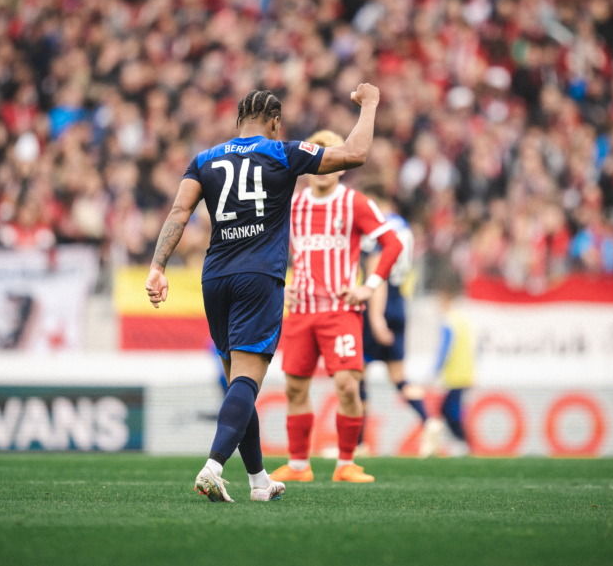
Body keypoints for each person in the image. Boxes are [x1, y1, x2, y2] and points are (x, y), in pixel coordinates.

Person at [146, 84, 381, 502]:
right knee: (247, 383)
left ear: (237, 122)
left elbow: (180, 212)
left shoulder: (204, 159)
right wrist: (371, 105)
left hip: (215, 277)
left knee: (239, 382)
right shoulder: (281, 151)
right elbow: (355, 154)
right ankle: (213, 467)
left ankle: (258, 482)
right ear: (275, 123)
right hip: (259, 277)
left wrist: (158, 266)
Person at [269, 131, 404, 484]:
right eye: (319, 159)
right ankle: (299, 466)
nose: (324, 167)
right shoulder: (291, 203)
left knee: (347, 384)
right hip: (301, 311)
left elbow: (392, 244)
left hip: (340, 310)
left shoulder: (355, 203)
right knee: (295, 388)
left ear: (342, 165)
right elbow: (271, 249)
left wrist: (369, 286)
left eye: (333, 158)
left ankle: (346, 463)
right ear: (309, 164)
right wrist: (281, 286)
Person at [357, 188, 424, 454]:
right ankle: (429, 421)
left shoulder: (379, 226)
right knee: (399, 376)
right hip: (399, 302)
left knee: (355, 372)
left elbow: (376, 271)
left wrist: (374, 317)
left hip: (378, 299)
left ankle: (359, 442)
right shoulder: (405, 228)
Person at [422, 276, 476, 458]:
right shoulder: (462, 319)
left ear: (445, 297)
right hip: (465, 372)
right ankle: (460, 443)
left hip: (456, 375)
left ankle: (462, 443)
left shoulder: (449, 320)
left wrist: (435, 371)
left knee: (449, 409)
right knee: (452, 408)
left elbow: (445, 348)